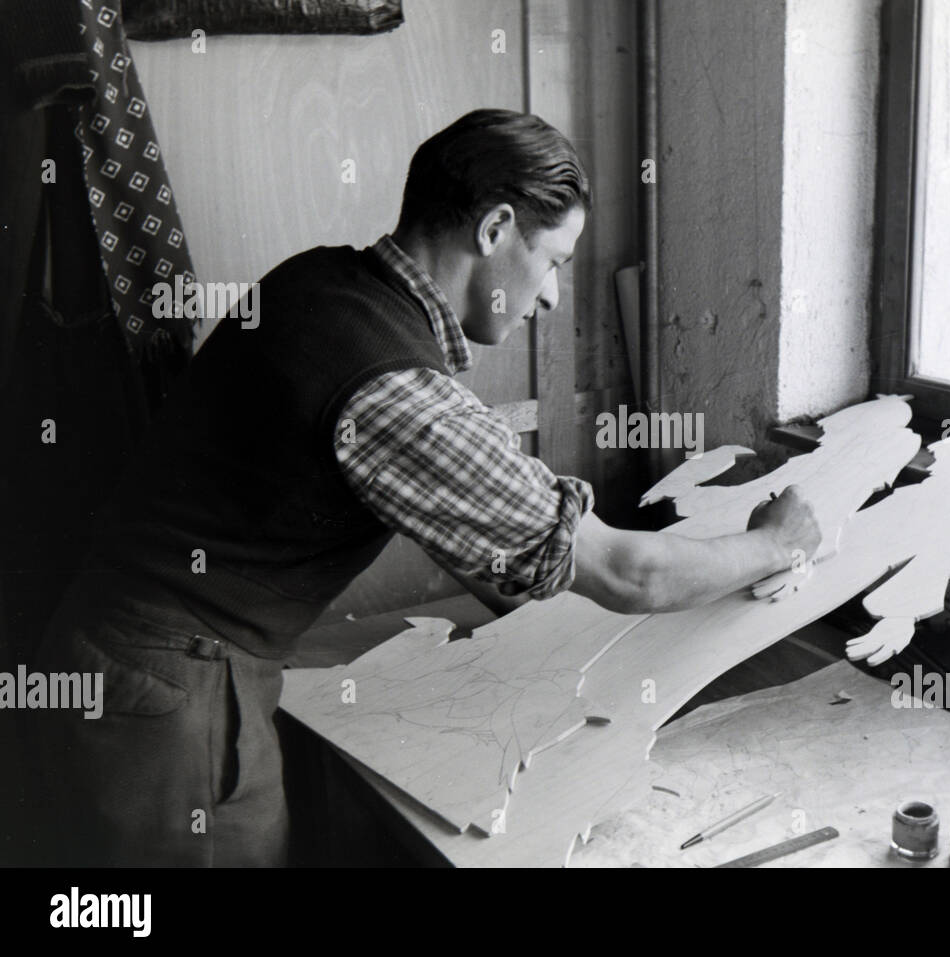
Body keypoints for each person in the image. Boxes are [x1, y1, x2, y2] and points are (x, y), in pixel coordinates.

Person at [31, 108, 820, 866]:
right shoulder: (393, 391)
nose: (550, 297)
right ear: (495, 229)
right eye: (553, 262)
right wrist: (773, 542)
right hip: (175, 702)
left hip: (121, 657)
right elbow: (626, 571)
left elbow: (480, 534)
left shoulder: (320, 278)